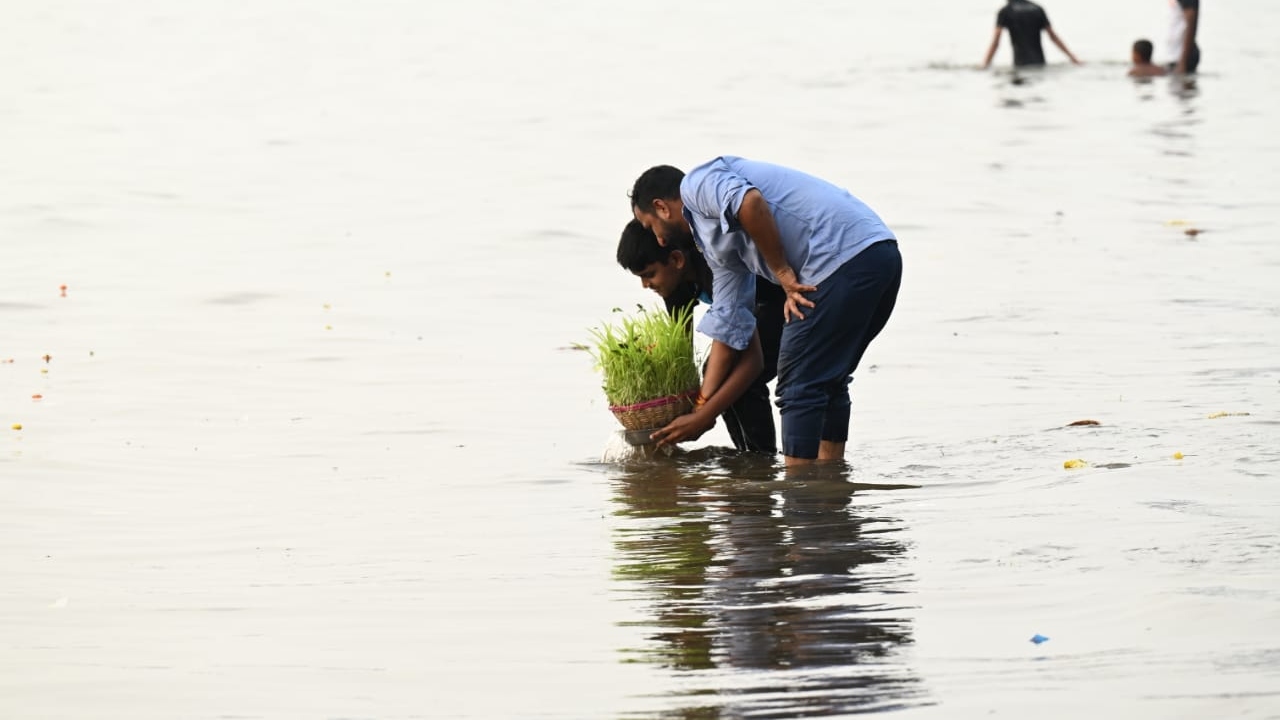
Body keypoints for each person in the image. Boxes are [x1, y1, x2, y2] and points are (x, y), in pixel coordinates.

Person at [630, 158, 902, 467]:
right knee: (829, 380)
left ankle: (799, 499)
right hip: (879, 253)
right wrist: (701, 409)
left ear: (662, 207)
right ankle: (829, 487)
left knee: (798, 386)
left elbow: (750, 202)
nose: (659, 240)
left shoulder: (697, 184)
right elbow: (730, 326)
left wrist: (784, 274)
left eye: (649, 227)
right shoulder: (717, 246)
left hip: (840, 257)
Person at [616, 219, 784, 455]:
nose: (646, 285)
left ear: (676, 260)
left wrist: (703, 411)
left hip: (780, 301)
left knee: (733, 377)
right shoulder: (674, 285)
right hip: (752, 309)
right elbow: (681, 350)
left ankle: (762, 460)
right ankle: (748, 457)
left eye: (650, 274)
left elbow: (748, 359)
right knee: (718, 378)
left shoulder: (714, 268)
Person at [981, 0, 1081, 69]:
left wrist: (985, 64)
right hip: (1040, 64)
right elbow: (1053, 37)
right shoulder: (1037, 9)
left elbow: (996, 42)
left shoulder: (1005, 11)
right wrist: (1073, 58)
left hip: (1021, 65)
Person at [1160, 0, 1200, 74]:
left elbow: (1191, 24)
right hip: (1174, 55)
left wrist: (1183, 61)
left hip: (1182, 55)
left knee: (1181, 83)